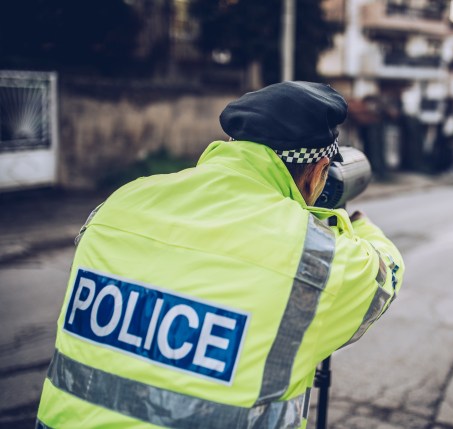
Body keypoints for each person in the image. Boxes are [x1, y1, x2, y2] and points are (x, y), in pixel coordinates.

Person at [36, 81, 404, 429]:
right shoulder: (318, 254)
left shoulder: (121, 202)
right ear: (318, 171)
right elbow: (386, 272)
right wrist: (352, 222)